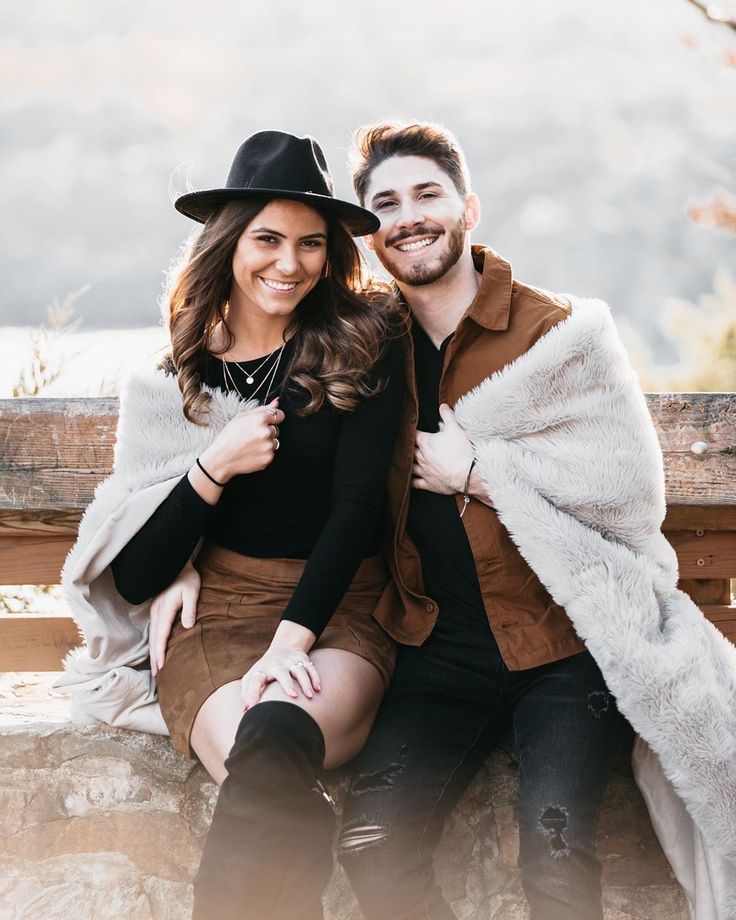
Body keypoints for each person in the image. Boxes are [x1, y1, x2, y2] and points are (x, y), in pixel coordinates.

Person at [62, 130, 405, 920]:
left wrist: (292, 640)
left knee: (277, 738)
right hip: (212, 614)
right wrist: (213, 467)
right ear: (229, 242)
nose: (289, 264)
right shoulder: (173, 379)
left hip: (337, 605)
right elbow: (142, 574)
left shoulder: (361, 343)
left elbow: (356, 511)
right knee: (269, 775)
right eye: (269, 239)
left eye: (312, 244)